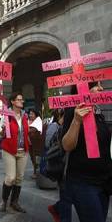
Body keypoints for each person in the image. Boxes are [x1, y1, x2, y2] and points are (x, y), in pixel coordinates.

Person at [60, 81, 112, 222]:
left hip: (104, 182)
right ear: (84, 90)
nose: (101, 88)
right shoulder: (73, 111)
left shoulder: (98, 112)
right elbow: (67, 145)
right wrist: (77, 121)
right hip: (83, 182)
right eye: (97, 86)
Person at [0, 92, 29, 213]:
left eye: (22, 100)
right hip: (10, 150)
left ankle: (14, 202)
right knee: (11, 177)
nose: (22, 101)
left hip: (23, 150)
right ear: (12, 101)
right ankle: (4, 200)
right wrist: (2, 130)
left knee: (19, 178)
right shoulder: (6, 115)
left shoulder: (24, 116)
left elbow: (24, 132)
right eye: (19, 99)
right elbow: (1, 134)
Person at [45, 109, 73, 222]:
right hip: (62, 168)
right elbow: (48, 144)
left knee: (69, 198)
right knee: (66, 199)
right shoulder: (56, 127)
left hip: (74, 169)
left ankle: (57, 208)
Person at [28, 109, 43, 179]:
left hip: (36, 144)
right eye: (30, 114)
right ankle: (35, 172)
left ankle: (37, 173)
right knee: (32, 158)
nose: (30, 115)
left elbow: (32, 131)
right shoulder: (30, 121)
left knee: (36, 158)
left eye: (32, 114)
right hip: (30, 143)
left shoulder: (38, 122)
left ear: (36, 115)